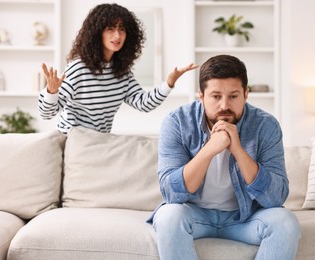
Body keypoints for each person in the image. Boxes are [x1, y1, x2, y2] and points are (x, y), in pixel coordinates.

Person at [151, 54, 301, 260]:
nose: (224, 105)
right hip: (195, 215)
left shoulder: (266, 125)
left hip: (245, 218)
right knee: (168, 216)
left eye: (233, 96)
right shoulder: (176, 122)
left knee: (285, 221)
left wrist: (238, 150)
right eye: (215, 96)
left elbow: (276, 198)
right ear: (201, 96)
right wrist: (210, 149)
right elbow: (171, 194)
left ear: (246, 94)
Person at [38, 3, 197, 134]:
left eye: (122, 29)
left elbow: (143, 103)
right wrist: (51, 92)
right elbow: (47, 113)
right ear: (97, 32)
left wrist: (169, 83)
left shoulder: (122, 73)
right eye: (111, 28)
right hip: (73, 144)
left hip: (100, 144)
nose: (117, 35)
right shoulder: (79, 68)